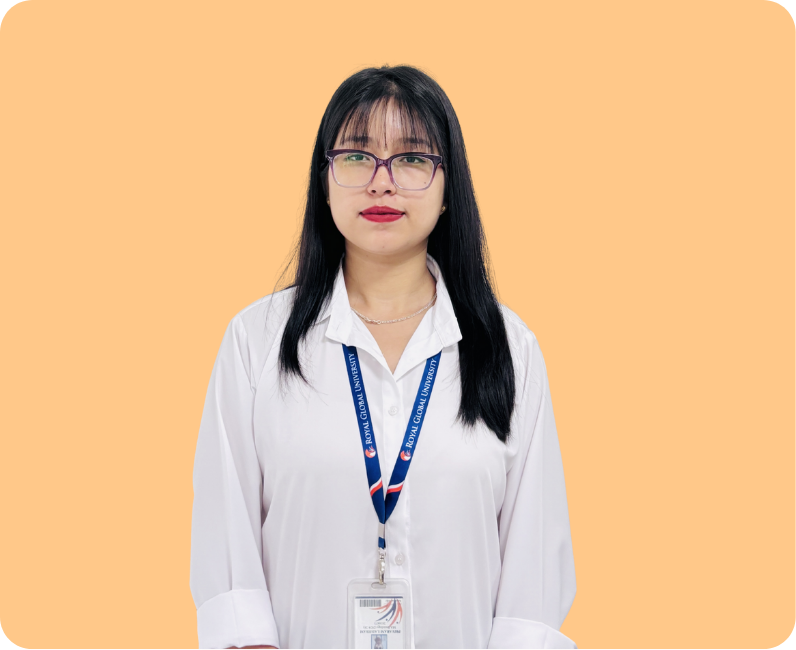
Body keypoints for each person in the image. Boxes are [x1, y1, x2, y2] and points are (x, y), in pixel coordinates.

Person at [189, 64, 577, 649]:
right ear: (324, 181)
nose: (381, 183)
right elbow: (227, 539)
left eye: (412, 158)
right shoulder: (256, 341)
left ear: (448, 189)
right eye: (356, 156)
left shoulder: (510, 348)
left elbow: (533, 565)